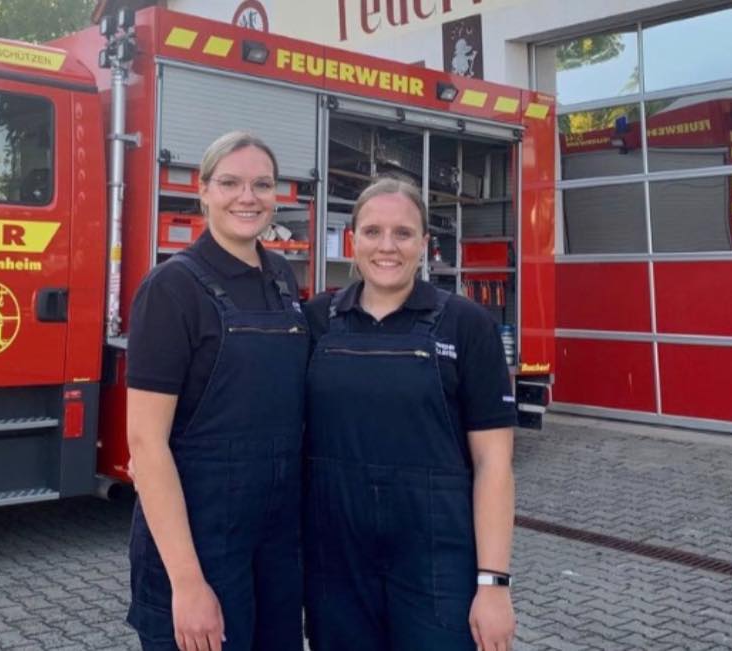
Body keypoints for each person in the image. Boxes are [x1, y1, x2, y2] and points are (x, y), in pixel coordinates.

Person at [303, 177, 518, 651]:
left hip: (436, 561)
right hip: (336, 560)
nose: (387, 247)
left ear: (424, 243)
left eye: (402, 233)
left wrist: (493, 585)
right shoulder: (317, 320)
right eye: (373, 231)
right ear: (352, 239)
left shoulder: (467, 325)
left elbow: (493, 465)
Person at [125, 131, 307, 651]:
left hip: (272, 545)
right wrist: (187, 583)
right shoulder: (171, 288)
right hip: (200, 541)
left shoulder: (281, 278)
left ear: (277, 196)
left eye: (261, 184)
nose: (246, 197)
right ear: (203, 191)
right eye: (229, 182)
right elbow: (146, 442)